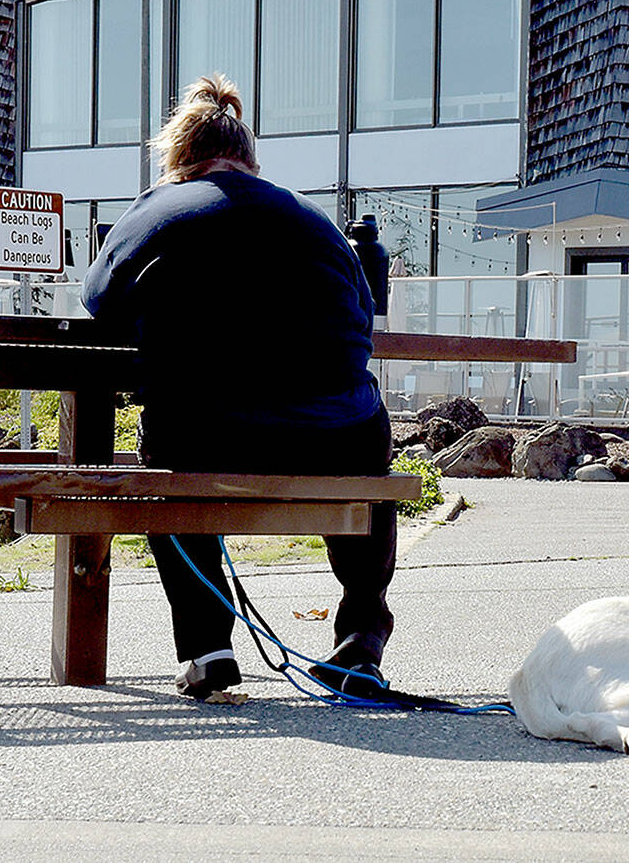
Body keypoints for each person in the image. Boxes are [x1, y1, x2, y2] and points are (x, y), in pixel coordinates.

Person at [83, 74, 395, 698]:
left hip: (210, 437)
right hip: (335, 440)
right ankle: (361, 637)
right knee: (369, 438)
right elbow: (363, 316)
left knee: (168, 454)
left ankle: (207, 648)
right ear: (251, 161)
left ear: (178, 162)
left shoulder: (154, 211)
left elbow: (99, 304)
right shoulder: (314, 219)